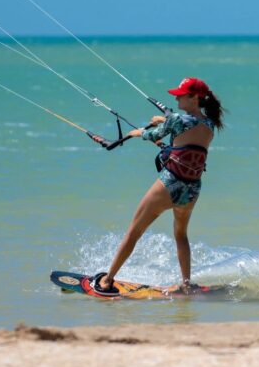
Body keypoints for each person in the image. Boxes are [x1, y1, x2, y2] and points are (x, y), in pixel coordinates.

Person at [94, 77, 225, 296]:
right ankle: (186, 283)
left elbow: (152, 135)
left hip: (169, 184)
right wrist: (164, 121)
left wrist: (139, 133)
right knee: (181, 235)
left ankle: (107, 281)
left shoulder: (178, 120)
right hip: (192, 189)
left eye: (181, 94)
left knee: (133, 232)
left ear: (194, 98)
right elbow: (181, 138)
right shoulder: (210, 124)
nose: (176, 97)